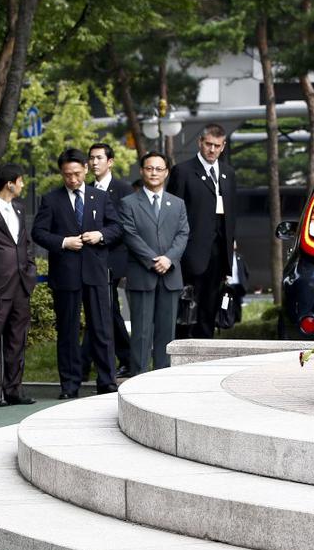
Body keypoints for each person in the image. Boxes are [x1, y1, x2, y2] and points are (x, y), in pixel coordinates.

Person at [32, 148, 121, 399]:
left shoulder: (100, 197)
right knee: (68, 332)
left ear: (85, 168)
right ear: (61, 173)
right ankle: (70, 385)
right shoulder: (51, 199)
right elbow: (38, 232)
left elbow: (117, 227)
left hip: (95, 272)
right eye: (67, 175)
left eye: (77, 173)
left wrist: (100, 235)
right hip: (66, 274)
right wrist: (63, 242)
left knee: (102, 329)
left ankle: (107, 382)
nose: (72, 179)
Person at [119, 152, 189, 374]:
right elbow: (129, 235)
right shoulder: (128, 203)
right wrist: (153, 260)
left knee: (166, 331)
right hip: (142, 275)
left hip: (170, 275)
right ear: (142, 171)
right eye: (149, 168)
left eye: (159, 169)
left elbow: (183, 234)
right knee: (140, 331)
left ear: (166, 172)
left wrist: (169, 258)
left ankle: (163, 376)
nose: (154, 173)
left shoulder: (177, 204)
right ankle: (137, 377)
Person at [166, 123, 237, 338]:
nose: (212, 149)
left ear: (223, 146)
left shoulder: (228, 173)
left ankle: (205, 348)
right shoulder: (183, 171)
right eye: (208, 144)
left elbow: (232, 212)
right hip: (190, 251)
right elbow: (173, 214)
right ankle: (181, 352)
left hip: (219, 249)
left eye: (217, 145)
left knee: (210, 304)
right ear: (200, 143)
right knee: (187, 305)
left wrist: (232, 243)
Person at [0, 163, 37, 407]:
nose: (23, 185)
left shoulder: (20, 209)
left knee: (16, 340)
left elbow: (26, 244)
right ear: (9, 183)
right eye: (20, 180)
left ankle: (14, 390)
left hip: (22, 285)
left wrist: (31, 271)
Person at [82, 143, 132, 378]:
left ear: (110, 161)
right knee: (103, 310)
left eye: (99, 158)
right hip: (91, 259)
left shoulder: (123, 189)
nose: (94, 163)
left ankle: (119, 357)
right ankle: (110, 358)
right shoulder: (86, 188)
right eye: (91, 158)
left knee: (107, 309)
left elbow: (125, 226)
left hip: (113, 257)